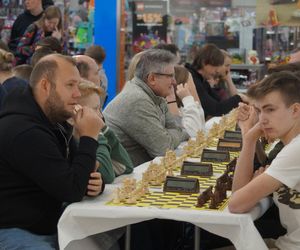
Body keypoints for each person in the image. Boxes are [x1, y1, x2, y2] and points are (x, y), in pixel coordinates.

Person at [0, 54, 104, 249]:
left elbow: (79, 177)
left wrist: (96, 184)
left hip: (49, 223)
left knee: (104, 241)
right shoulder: (24, 131)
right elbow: (72, 189)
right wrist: (89, 137)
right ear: (46, 86)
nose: (77, 94)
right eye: (70, 85)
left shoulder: (53, 122)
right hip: (14, 231)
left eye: (78, 85)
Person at [228, 71, 300, 250]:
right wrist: (250, 139)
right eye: (259, 111)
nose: (262, 119)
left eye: (270, 109)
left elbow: (236, 204)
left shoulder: (295, 150)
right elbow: (239, 195)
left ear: (295, 110)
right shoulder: (291, 146)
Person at [103, 49, 189, 167]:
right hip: (124, 180)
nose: (174, 81)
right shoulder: (137, 100)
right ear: (152, 78)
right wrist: (175, 134)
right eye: (170, 76)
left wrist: (171, 134)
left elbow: (176, 128)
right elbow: (163, 148)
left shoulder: (156, 95)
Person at [77, 80, 134, 184]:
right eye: (95, 109)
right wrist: (98, 134)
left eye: (100, 109)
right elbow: (108, 176)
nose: (100, 115)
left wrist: (106, 131)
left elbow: (126, 166)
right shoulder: (77, 142)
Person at [185, 44, 247, 119]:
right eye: (216, 65)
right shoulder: (192, 79)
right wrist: (239, 97)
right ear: (204, 63)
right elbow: (215, 109)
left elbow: (219, 102)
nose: (217, 70)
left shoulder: (201, 80)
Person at [167, 65, 206, 137]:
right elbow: (192, 132)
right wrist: (187, 98)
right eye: (190, 81)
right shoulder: (173, 108)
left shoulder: (184, 105)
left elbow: (201, 121)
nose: (193, 85)